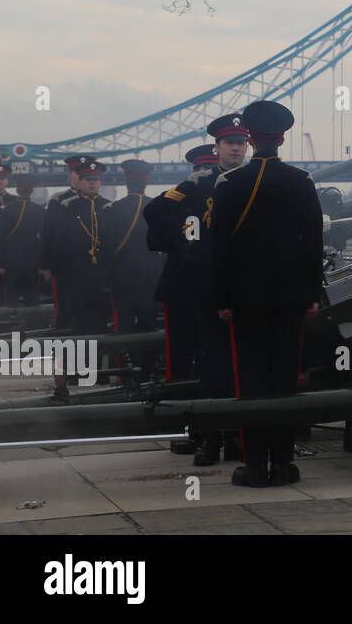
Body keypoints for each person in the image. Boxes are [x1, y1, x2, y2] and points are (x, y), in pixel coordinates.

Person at [211, 100, 323, 487]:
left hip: (245, 300)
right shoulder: (301, 181)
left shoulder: (229, 184)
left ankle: (255, 463)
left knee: (251, 380)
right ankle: (285, 462)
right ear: (283, 138)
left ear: (251, 138)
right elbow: (313, 243)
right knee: (285, 380)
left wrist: (223, 300)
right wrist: (312, 294)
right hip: (291, 298)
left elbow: (219, 247)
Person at [145, 119, 248, 463]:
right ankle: (209, 437)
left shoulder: (253, 182)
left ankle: (237, 436)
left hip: (244, 288)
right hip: (207, 288)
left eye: (241, 142)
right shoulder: (199, 183)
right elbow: (156, 211)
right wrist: (186, 241)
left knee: (242, 367)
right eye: (229, 142)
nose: (236, 147)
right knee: (213, 366)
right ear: (217, 147)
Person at [41, 159, 111, 335]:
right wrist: (55, 269)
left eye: (95, 180)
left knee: (101, 319)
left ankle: (99, 359)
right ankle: (77, 360)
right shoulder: (68, 207)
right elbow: (57, 240)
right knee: (77, 321)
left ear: (101, 182)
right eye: (88, 180)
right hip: (76, 273)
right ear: (80, 182)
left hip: (101, 273)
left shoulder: (108, 206)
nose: (92, 183)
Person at [101, 160, 163, 334]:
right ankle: (148, 361)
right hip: (151, 279)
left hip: (122, 280)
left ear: (126, 181)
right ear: (146, 181)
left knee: (122, 326)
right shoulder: (157, 207)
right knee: (149, 327)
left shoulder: (113, 209)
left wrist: (107, 280)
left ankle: (122, 359)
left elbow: (107, 248)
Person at [0, 178, 46, 306]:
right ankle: (33, 325)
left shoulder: (5, 210)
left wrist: (0, 264)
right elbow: (44, 240)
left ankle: (13, 324)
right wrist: (43, 264)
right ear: (32, 191)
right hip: (33, 262)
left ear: (17, 191)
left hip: (11, 261)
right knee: (32, 298)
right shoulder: (40, 210)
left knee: (12, 298)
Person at [0, 163, 13, 307]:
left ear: (7, 180)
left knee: (10, 297)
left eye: (3, 178)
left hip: (9, 253)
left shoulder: (15, 200)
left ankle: (14, 330)